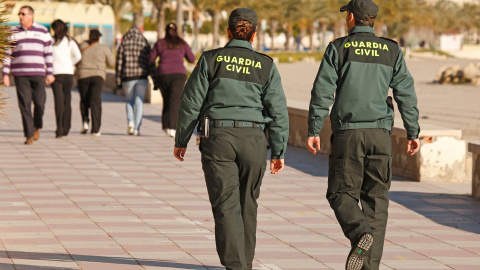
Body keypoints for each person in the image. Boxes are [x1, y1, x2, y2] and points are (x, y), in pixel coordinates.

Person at [306, 1, 420, 270]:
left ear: (352, 18)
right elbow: (406, 91)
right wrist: (413, 130)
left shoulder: (338, 47)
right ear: (373, 20)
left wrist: (313, 129)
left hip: (349, 134)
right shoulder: (391, 49)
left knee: (340, 193)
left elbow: (322, 91)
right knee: (376, 203)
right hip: (381, 135)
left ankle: (359, 232)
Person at [173, 8, 289, 270]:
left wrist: (181, 139)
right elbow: (278, 111)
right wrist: (279, 151)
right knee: (248, 203)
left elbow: (190, 102)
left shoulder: (210, 60)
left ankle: (237, 266)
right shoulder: (266, 65)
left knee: (226, 203)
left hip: (218, 138)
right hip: (254, 140)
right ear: (254, 34)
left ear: (228, 31)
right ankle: (243, 263)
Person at [2, 5, 54, 144]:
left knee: (40, 103)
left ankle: (37, 125)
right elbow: (7, 54)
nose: (20, 16)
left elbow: (48, 53)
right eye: (19, 14)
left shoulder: (43, 31)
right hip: (20, 74)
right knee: (24, 104)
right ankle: (29, 134)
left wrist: (50, 72)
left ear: (31, 15)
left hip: (38, 73)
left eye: (23, 14)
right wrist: (5, 73)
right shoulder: (13, 32)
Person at [149, 22, 195, 137]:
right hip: (179, 74)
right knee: (175, 101)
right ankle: (172, 128)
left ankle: (166, 126)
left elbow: (150, 59)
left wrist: (154, 70)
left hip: (162, 74)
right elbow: (191, 58)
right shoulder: (182, 43)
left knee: (167, 100)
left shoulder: (160, 43)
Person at [115, 25, 153, 136]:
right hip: (142, 77)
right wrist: (153, 76)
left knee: (129, 101)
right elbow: (150, 62)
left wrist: (118, 80)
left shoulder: (124, 43)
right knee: (139, 102)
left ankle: (130, 122)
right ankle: (137, 128)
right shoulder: (144, 43)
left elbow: (119, 63)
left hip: (127, 77)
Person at [76, 29, 115, 136]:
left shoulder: (82, 46)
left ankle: (85, 122)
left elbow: (76, 58)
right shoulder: (104, 48)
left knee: (84, 99)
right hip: (98, 76)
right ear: (99, 37)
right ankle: (95, 129)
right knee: (95, 101)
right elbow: (112, 63)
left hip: (83, 75)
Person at [51, 19, 82, 138]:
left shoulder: (51, 41)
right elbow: (78, 56)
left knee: (58, 101)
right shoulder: (70, 41)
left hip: (55, 74)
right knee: (67, 100)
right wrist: (70, 63)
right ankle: (66, 127)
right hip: (68, 73)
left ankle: (59, 128)